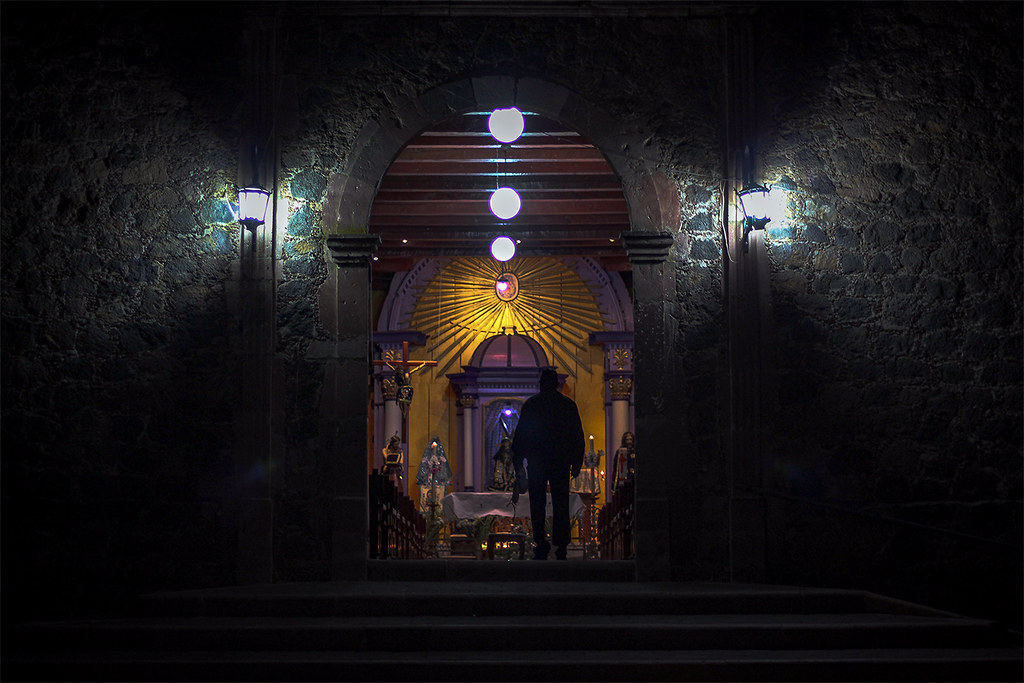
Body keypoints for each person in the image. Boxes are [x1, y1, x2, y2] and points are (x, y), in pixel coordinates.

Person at [511, 368, 585, 560]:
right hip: (561, 462)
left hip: (537, 461)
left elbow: (521, 436)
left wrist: (519, 464)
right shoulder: (567, 405)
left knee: (537, 503)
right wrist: (576, 462)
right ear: (557, 384)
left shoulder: (532, 404)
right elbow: (577, 436)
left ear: (541, 384)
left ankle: (540, 542)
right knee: (561, 503)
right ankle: (561, 545)